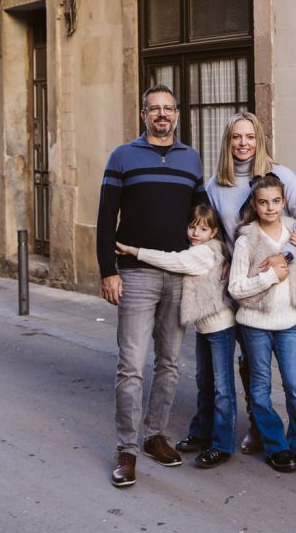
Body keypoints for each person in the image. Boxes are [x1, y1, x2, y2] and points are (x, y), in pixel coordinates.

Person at [205, 111, 296, 456]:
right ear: (228, 141)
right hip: (249, 287)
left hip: (289, 287)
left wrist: (288, 257)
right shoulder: (215, 186)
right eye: (237, 137)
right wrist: (222, 257)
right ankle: (257, 425)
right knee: (253, 360)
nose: (243, 144)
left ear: (259, 139)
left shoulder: (280, 175)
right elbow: (214, 232)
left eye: (250, 136)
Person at [96, 84, 208, 488]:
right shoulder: (123, 156)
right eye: (153, 109)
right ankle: (126, 449)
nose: (161, 115)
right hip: (135, 275)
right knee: (130, 366)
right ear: (143, 114)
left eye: (168, 109)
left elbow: (201, 216)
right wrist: (108, 270)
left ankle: (154, 435)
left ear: (177, 114)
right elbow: (106, 216)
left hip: (178, 273)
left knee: (171, 363)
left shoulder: (191, 158)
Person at [115, 203, 236, 470]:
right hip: (205, 326)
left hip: (220, 326)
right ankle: (202, 432)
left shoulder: (203, 253)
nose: (195, 232)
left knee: (222, 388)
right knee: (205, 382)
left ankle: (222, 443)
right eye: (192, 226)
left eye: (202, 229)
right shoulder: (202, 248)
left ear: (213, 232)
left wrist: (134, 251)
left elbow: (174, 261)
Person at [228, 172, 296, 472]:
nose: (270, 208)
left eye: (276, 202)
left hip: (292, 321)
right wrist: (269, 278)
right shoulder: (246, 240)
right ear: (255, 206)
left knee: (295, 385)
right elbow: (235, 288)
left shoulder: (295, 232)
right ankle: (275, 445)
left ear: (284, 202)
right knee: (259, 387)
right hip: (255, 324)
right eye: (263, 203)